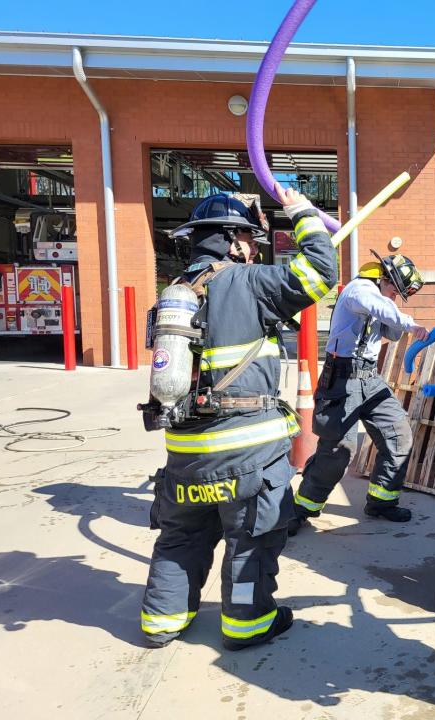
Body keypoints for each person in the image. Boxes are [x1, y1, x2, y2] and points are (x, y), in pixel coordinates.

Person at [140, 189, 337, 649]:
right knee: (251, 539)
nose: (253, 245)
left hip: (184, 453)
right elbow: (321, 271)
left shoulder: (177, 293)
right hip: (245, 454)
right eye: (248, 235)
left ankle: (160, 622)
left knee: (181, 536)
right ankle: (247, 624)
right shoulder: (249, 282)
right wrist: (303, 213)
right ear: (232, 240)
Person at [291, 250, 429, 528]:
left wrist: (398, 326)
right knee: (338, 451)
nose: (393, 297)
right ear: (383, 278)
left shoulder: (381, 300)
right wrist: (411, 325)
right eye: (393, 290)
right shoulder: (360, 290)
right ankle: (299, 510)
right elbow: (379, 306)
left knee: (398, 435)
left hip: (370, 378)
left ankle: (382, 502)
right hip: (341, 379)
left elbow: (387, 325)